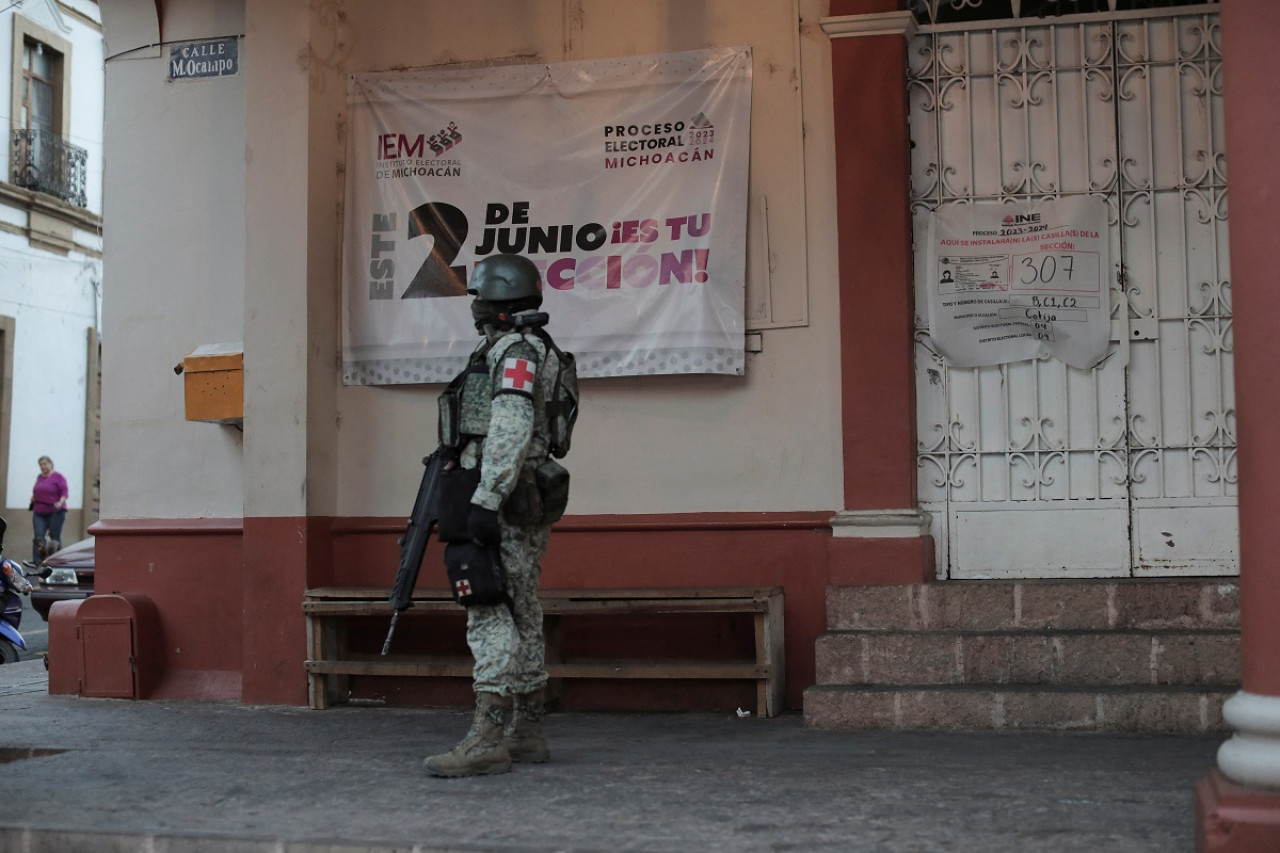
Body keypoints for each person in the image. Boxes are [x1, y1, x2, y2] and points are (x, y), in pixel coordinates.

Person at [423, 253, 565, 778]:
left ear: (494, 300)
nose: (475, 306)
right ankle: (526, 730)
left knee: (489, 608)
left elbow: (510, 425)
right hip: (518, 496)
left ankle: (487, 739)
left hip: (498, 497)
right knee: (522, 608)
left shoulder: (516, 352)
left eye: (478, 296)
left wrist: (485, 500)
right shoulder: (526, 348)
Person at [30, 456, 68, 562]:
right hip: (39, 511)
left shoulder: (58, 477)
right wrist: (33, 497)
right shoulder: (39, 477)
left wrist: (60, 502)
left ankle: (57, 560)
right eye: (41, 464)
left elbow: (64, 492)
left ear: (51, 464)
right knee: (38, 536)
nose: (42, 466)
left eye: (45, 464)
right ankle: (37, 562)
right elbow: (37, 490)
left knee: (54, 536)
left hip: (56, 511)